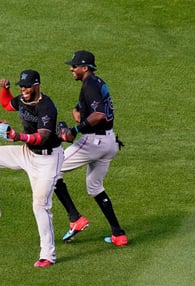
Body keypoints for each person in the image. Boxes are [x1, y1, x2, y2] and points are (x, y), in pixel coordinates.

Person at [0, 70, 64, 268]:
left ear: (37, 85)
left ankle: (48, 255)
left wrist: (16, 136)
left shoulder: (47, 106)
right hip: (27, 153)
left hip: (48, 159)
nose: (23, 89)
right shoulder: (21, 99)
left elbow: (43, 136)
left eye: (27, 86)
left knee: (40, 206)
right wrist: (5, 89)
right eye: (21, 86)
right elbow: (6, 104)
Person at [54, 50, 128, 246]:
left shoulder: (90, 86)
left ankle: (75, 218)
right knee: (95, 187)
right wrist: (77, 113)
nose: (71, 68)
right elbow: (85, 111)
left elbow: (99, 116)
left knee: (52, 170)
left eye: (75, 66)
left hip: (94, 142)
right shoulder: (96, 82)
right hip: (110, 141)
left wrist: (74, 129)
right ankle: (118, 234)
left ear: (85, 68)